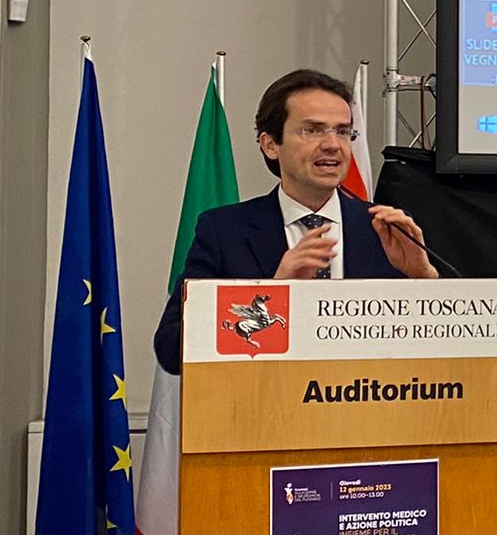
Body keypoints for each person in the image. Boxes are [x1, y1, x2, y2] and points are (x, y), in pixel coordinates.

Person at [152, 68, 435, 372]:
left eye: (342, 131)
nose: (332, 144)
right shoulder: (224, 232)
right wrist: (275, 294)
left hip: (365, 396)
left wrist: (425, 279)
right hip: (265, 398)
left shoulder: (386, 230)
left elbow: (436, 344)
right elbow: (171, 349)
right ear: (270, 144)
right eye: (312, 130)